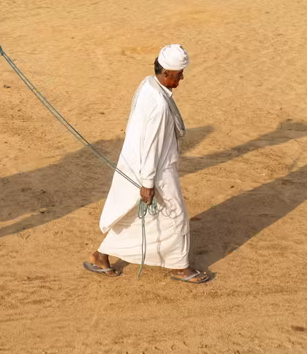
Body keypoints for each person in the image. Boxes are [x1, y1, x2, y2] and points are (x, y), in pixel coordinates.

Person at [86, 44, 213, 284]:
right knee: (176, 215)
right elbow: (151, 145)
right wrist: (148, 183)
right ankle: (180, 267)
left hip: (144, 165)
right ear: (166, 73)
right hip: (155, 169)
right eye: (179, 74)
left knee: (138, 215)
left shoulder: (148, 85)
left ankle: (101, 255)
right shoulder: (159, 105)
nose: (182, 77)